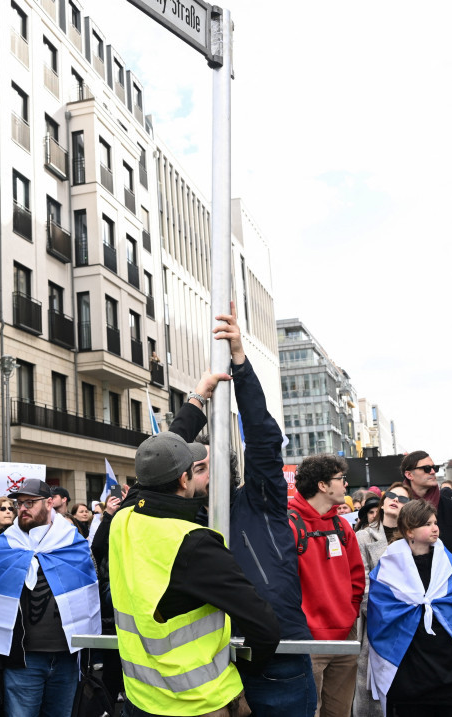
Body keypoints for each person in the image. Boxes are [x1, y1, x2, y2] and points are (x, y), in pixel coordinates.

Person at [173, 304, 317, 714]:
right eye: (188, 469)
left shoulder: (261, 502)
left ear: (223, 471)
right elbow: (157, 462)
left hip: (273, 655)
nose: (194, 475)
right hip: (203, 661)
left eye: (203, 466)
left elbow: (263, 438)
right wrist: (195, 399)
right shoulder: (176, 518)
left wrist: (239, 360)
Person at [109, 433, 281, 717]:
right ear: (183, 480)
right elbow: (264, 628)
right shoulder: (193, 542)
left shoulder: (122, 522)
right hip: (199, 703)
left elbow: (146, 486)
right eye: (196, 469)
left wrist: (196, 399)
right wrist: (247, 669)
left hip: (141, 698)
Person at [0, 479, 99, 717]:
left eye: (30, 503)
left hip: (67, 657)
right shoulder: (6, 545)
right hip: (23, 660)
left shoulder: (72, 543)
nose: (22, 508)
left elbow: (90, 595)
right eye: (19, 503)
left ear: (49, 503)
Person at [365, 500, 452, 717]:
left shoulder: (451, 565)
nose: (435, 528)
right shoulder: (388, 568)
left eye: (435, 522)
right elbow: (381, 614)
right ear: (409, 530)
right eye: (427, 524)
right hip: (410, 668)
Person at [290, 454, 365, 717]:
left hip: (344, 637)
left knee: (340, 712)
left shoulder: (342, 526)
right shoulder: (288, 524)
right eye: (341, 479)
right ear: (323, 485)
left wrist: (349, 614)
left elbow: (357, 577)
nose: (346, 485)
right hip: (307, 641)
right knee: (309, 711)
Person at [352, 487, 408, 717]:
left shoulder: (413, 535)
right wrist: (381, 615)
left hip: (409, 621)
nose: (396, 500)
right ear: (383, 504)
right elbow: (362, 582)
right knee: (372, 688)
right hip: (376, 620)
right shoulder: (364, 536)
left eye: (403, 498)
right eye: (391, 497)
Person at [400, 450, 452, 562]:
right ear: (409, 475)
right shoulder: (398, 506)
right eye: (426, 468)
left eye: (434, 468)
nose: (432, 472)